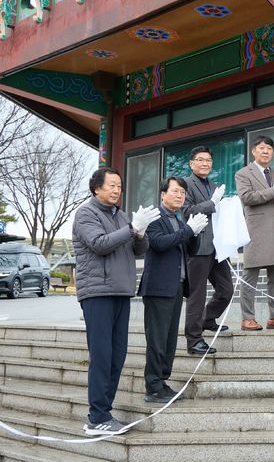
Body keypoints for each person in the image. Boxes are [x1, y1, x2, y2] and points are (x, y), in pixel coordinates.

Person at [73, 167, 159, 435]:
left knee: (117, 356)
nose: (116, 189)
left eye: (119, 185)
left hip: (121, 291)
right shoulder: (86, 213)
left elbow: (138, 250)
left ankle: (104, 413)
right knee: (102, 356)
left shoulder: (120, 216)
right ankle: (96, 417)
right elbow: (99, 243)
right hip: (97, 292)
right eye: (111, 185)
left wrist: (141, 232)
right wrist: (131, 228)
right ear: (96, 188)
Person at [138, 177, 208, 403]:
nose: (180, 196)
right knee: (157, 339)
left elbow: (190, 249)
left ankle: (162, 381)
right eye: (175, 191)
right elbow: (159, 243)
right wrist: (188, 230)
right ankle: (153, 386)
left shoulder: (179, 218)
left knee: (169, 340)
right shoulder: (154, 218)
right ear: (162, 194)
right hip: (158, 287)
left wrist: (196, 233)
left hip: (176, 287)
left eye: (183, 192)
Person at [235, 135, 274, 330]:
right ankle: (247, 318)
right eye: (261, 148)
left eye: (269, 148)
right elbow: (247, 198)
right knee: (249, 277)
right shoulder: (244, 173)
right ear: (254, 151)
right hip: (256, 232)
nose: (266, 151)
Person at [182, 146, 232, 356]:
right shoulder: (185, 184)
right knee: (197, 295)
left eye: (208, 160)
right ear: (192, 163)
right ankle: (193, 340)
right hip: (198, 246)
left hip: (218, 246)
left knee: (226, 289)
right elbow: (186, 212)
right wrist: (211, 203)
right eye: (200, 160)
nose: (205, 164)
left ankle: (207, 319)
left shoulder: (213, 185)